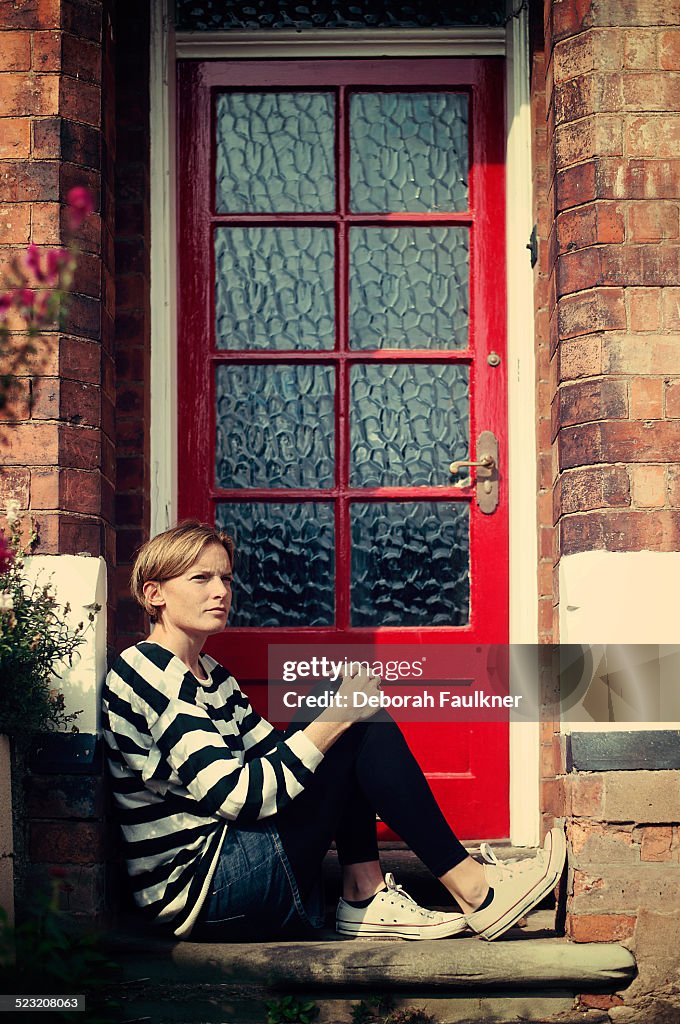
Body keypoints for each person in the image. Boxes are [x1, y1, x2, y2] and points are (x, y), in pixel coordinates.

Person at [102, 521, 566, 943]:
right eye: (200, 579)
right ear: (155, 593)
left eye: (225, 578)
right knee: (345, 722)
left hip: (232, 864)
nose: (220, 591)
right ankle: (473, 892)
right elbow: (239, 796)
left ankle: (366, 893)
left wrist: (337, 716)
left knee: (345, 717)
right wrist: (335, 719)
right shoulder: (146, 671)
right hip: (202, 890)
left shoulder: (210, 673)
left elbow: (276, 753)